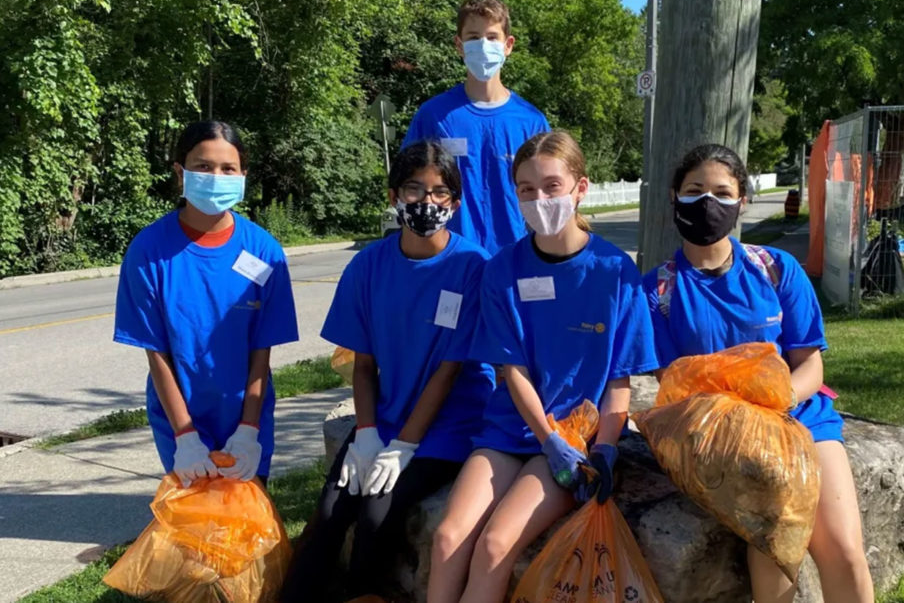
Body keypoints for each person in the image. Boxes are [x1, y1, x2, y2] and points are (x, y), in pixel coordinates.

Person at [427, 130, 659, 602]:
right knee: (448, 538)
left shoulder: (615, 271)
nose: (539, 200)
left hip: (573, 439)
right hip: (513, 430)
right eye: (526, 190)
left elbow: (619, 381)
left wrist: (604, 449)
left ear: (580, 188)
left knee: (495, 545)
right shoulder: (502, 270)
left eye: (551, 186)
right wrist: (545, 438)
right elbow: (512, 372)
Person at [641, 144, 874, 603]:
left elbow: (810, 363)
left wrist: (779, 401)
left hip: (799, 416)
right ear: (674, 197)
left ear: (742, 201)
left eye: (722, 192)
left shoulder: (775, 269)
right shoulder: (658, 290)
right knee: (775, 548)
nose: (707, 202)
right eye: (694, 190)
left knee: (844, 552)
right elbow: (676, 384)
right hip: (723, 434)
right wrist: (744, 424)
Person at [280, 141, 495, 601]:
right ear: (394, 196)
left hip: (449, 424)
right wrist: (367, 434)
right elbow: (363, 364)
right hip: (388, 415)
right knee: (330, 511)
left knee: (377, 515)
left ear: (456, 203)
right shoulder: (368, 266)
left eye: (439, 192)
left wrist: (403, 447)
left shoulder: (472, 267)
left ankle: (363, 596)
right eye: (414, 189)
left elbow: (449, 371)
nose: (427, 202)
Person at [114, 120, 298, 488]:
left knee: (245, 512)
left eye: (228, 168)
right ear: (180, 172)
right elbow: (157, 355)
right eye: (203, 166)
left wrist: (249, 429)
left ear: (243, 175)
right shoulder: (148, 252)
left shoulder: (264, 252)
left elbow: (262, 352)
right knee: (194, 515)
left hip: (247, 413)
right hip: (179, 416)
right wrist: (184, 436)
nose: (216, 177)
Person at [402, 0, 550, 255]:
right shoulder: (434, 115)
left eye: (492, 37)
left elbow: (547, 199)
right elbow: (408, 188)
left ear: (508, 45)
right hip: (450, 259)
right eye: (473, 37)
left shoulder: (531, 121)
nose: (483, 45)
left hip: (515, 259)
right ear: (459, 45)